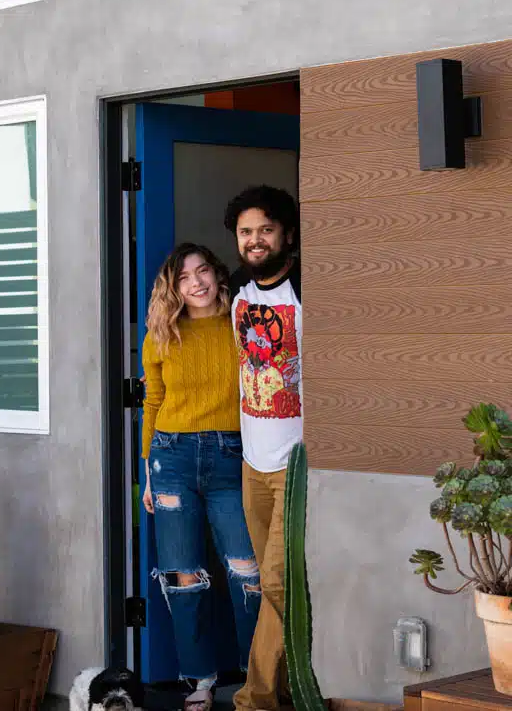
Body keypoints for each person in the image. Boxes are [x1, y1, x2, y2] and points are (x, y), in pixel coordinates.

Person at [141, 243, 261, 711]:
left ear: (216, 274)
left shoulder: (242, 323)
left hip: (231, 455)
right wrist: (148, 474)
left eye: (203, 271)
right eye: (184, 278)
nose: (196, 283)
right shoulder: (162, 335)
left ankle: (258, 675)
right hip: (170, 457)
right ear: (173, 288)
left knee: (247, 571)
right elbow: (152, 404)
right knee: (184, 576)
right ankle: (200, 682)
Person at [224, 186, 302, 711]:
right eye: (246, 232)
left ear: (286, 237)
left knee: (276, 580)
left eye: (265, 230)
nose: (255, 240)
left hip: (298, 465)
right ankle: (295, 685)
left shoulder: (305, 289)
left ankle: (255, 699)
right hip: (253, 463)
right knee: (278, 586)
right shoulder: (236, 291)